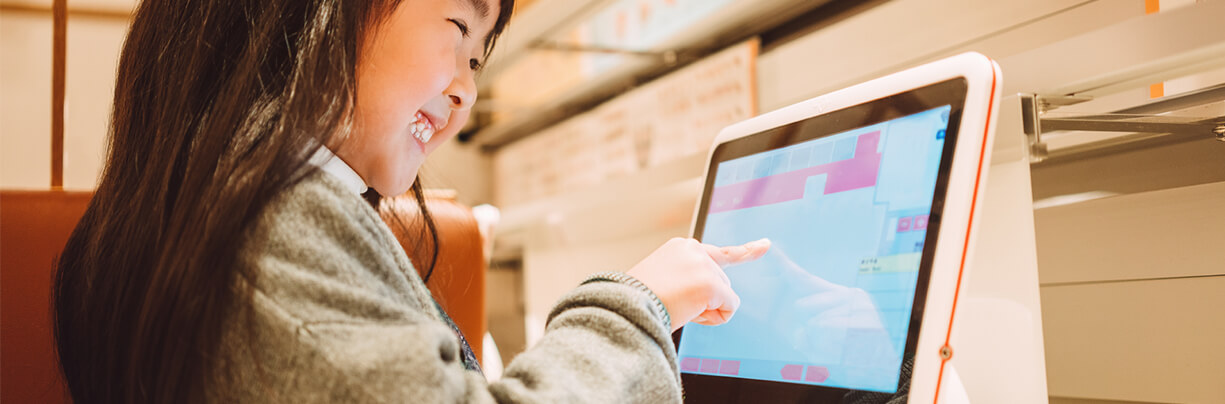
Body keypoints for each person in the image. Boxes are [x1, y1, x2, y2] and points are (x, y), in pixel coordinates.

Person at [51, 0, 770, 402]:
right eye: (459, 29)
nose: (467, 89)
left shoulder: (204, 200)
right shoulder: (265, 218)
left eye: (479, 58)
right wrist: (635, 305)